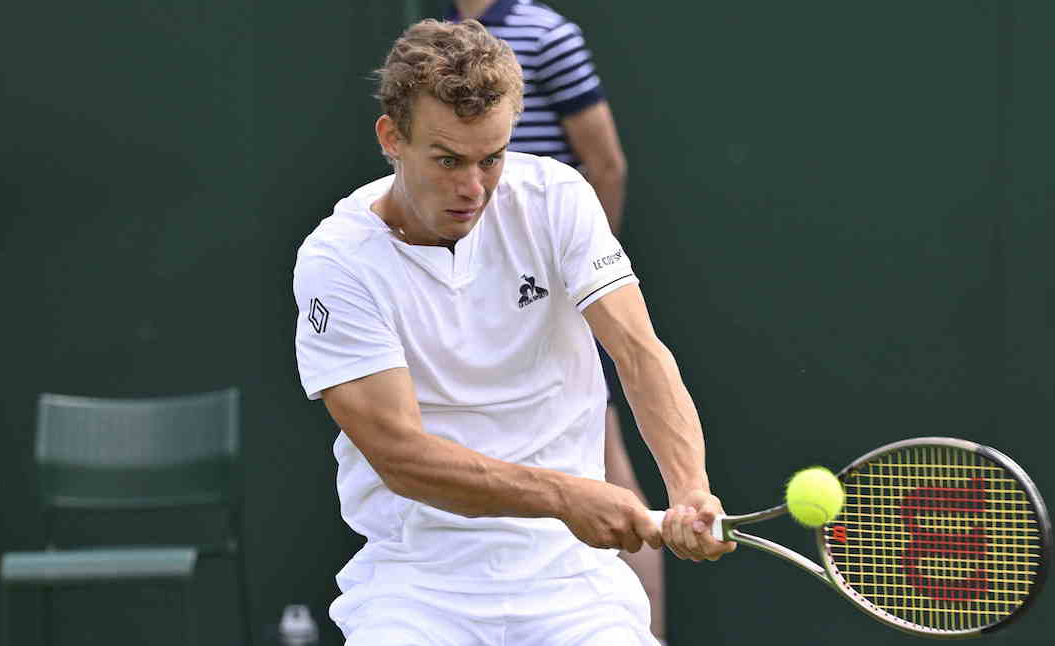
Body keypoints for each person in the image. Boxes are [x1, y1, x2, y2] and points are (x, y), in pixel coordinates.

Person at [293, 19, 733, 645]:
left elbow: (638, 353)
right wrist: (564, 497)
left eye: (491, 158)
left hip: (574, 583)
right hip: (416, 586)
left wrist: (689, 488)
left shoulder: (556, 198)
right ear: (392, 138)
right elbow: (401, 457)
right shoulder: (337, 261)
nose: (473, 188)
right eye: (448, 160)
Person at [443, 1, 668, 639]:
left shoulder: (547, 35)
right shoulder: (436, 36)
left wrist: (576, 280)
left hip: (547, 286)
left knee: (611, 473)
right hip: (472, 296)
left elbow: (606, 163)